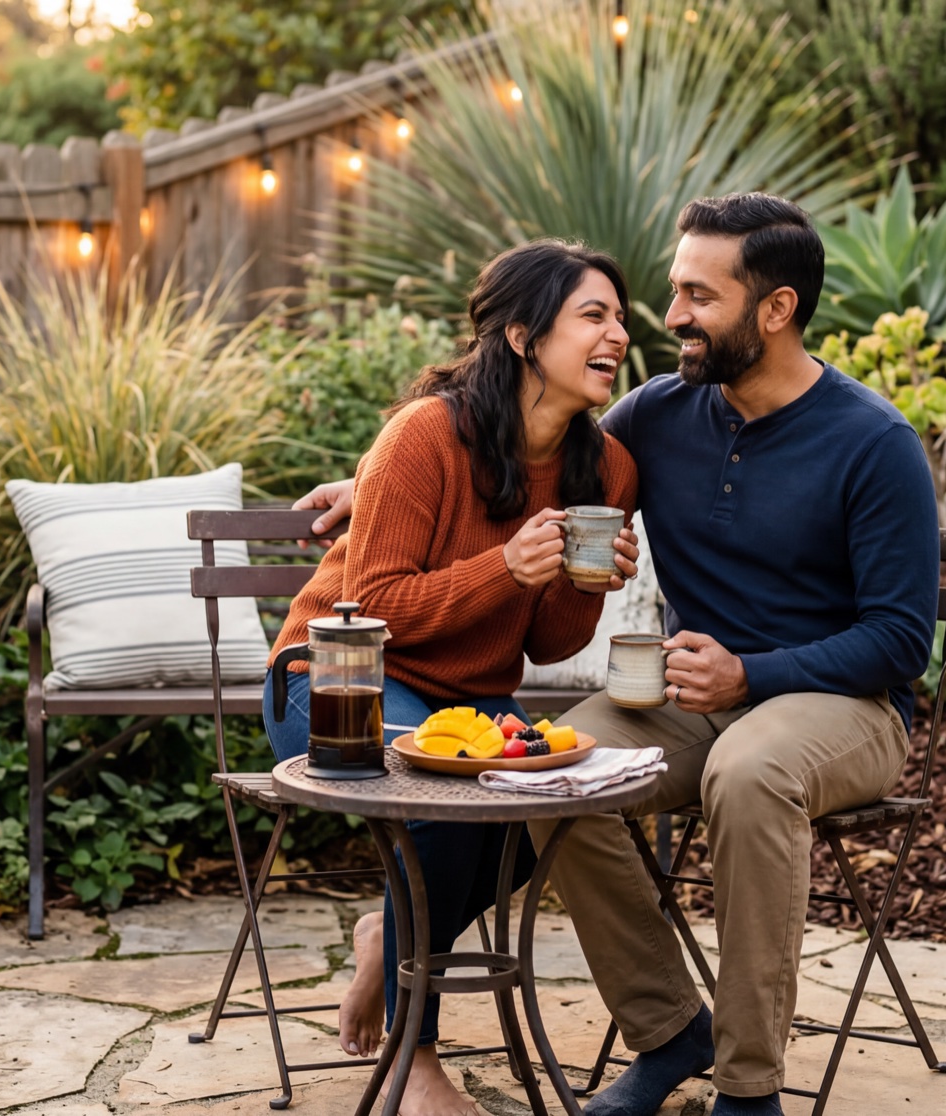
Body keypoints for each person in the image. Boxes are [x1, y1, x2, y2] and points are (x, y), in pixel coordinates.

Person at [292, 194, 939, 1116]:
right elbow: (524, 427)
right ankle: (672, 1033)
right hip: (691, 693)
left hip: (843, 703)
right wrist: (374, 483)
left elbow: (900, 640)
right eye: (673, 292)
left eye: (696, 297)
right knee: (558, 768)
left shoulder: (874, 443)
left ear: (776, 309)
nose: (668, 317)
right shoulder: (662, 415)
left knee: (751, 775)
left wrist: (754, 674)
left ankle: (749, 1089)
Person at [264, 238, 640, 1116]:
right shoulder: (426, 435)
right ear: (521, 334)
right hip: (339, 682)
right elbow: (374, 603)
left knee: (542, 805)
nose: (617, 333)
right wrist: (506, 566)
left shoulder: (608, 468)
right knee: (436, 792)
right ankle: (412, 1052)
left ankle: (383, 939)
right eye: (595, 314)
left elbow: (549, 646)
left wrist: (582, 585)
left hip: (470, 696)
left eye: (621, 318)